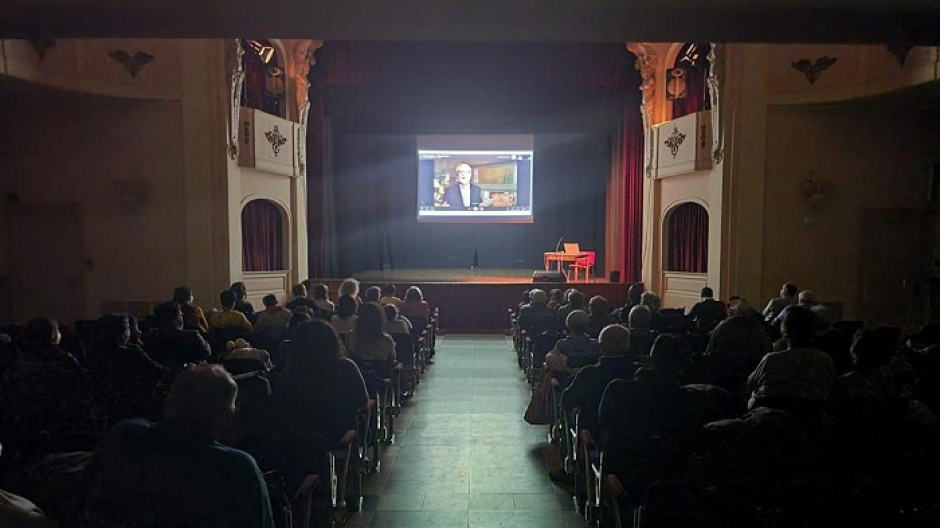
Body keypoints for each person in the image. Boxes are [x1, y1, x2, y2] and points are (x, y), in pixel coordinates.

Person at [78, 364, 274, 528]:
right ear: (225, 416)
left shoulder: (125, 436)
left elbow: (83, 500)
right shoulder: (238, 468)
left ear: (169, 402)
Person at [747, 305, 835, 423]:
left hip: (770, 422)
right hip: (810, 423)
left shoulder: (771, 360)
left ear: (784, 330)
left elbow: (751, 383)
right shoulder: (824, 360)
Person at [143, 301, 212, 369]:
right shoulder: (192, 335)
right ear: (177, 317)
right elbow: (207, 352)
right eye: (181, 315)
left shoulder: (150, 336)